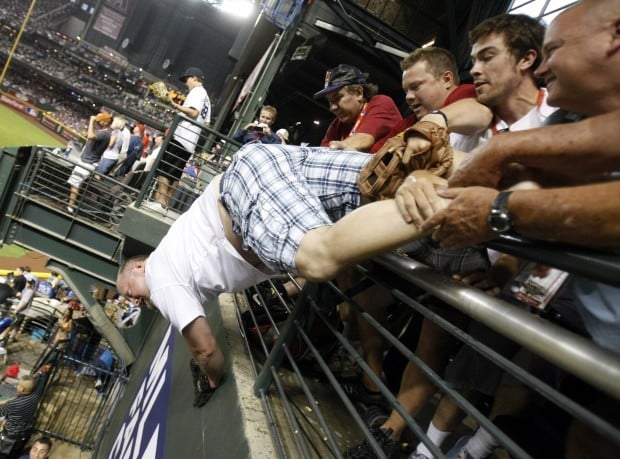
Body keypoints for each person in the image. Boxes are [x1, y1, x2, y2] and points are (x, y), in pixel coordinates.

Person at [116, 134, 454, 404]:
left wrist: (212, 376)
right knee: (394, 176)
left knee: (319, 256)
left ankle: (469, 205)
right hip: (264, 170)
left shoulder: (159, 278)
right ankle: (485, 189)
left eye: (128, 290)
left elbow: (205, 348)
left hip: (247, 190)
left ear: (139, 266)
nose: (132, 300)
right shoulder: (172, 254)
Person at [152, 67, 211, 209]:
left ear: (195, 78)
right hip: (191, 140)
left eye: (187, 79)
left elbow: (194, 112)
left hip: (181, 137)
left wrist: (173, 104)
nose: (186, 83)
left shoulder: (197, 92)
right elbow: (207, 124)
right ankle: (165, 202)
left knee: (163, 169)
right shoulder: (206, 97)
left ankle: (161, 201)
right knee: (175, 173)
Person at [314, 64, 402, 152]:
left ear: (358, 93)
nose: (332, 108)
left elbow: (363, 140)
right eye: (330, 101)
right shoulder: (337, 124)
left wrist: (338, 146)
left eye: (337, 98)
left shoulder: (380, 102)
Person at [67, 111, 113, 213]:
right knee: (76, 184)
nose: (97, 122)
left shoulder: (104, 134)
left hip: (87, 163)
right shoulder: (104, 133)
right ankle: (72, 204)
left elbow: (90, 136)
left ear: (105, 123)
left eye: (99, 121)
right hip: (88, 161)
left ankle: (70, 207)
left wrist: (91, 122)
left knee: (75, 184)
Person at [0, 376, 40, 459]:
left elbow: (1, 412)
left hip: (11, 436)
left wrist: (5, 402)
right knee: (15, 453)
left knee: (4, 455)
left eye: (18, 385)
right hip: (25, 432)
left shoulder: (12, 405)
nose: (16, 386)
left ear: (21, 389)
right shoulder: (35, 396)